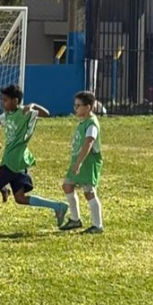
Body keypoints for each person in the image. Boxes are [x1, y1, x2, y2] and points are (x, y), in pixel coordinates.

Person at [0, 83, 68, 241]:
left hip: (12, 161)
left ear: (16, 101)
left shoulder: (25, 112)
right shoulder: (7, 114)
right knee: (20, 198)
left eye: (6, 100)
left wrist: (33, 105)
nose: (3, 103)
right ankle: (58, 207)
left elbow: (47, 114)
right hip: (18, 161)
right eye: (2, 100)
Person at [59, 90, 104, 234]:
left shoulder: (91, 124)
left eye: (78, 106)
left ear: (88, 107)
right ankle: (75, 219)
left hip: (87, 162)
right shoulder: (83, 122)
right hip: (78, 160)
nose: (75, 108)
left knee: (89, 192)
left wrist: (78, 162)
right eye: (75, 105)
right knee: (67, 186)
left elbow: (89, 143)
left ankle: (97, 225)